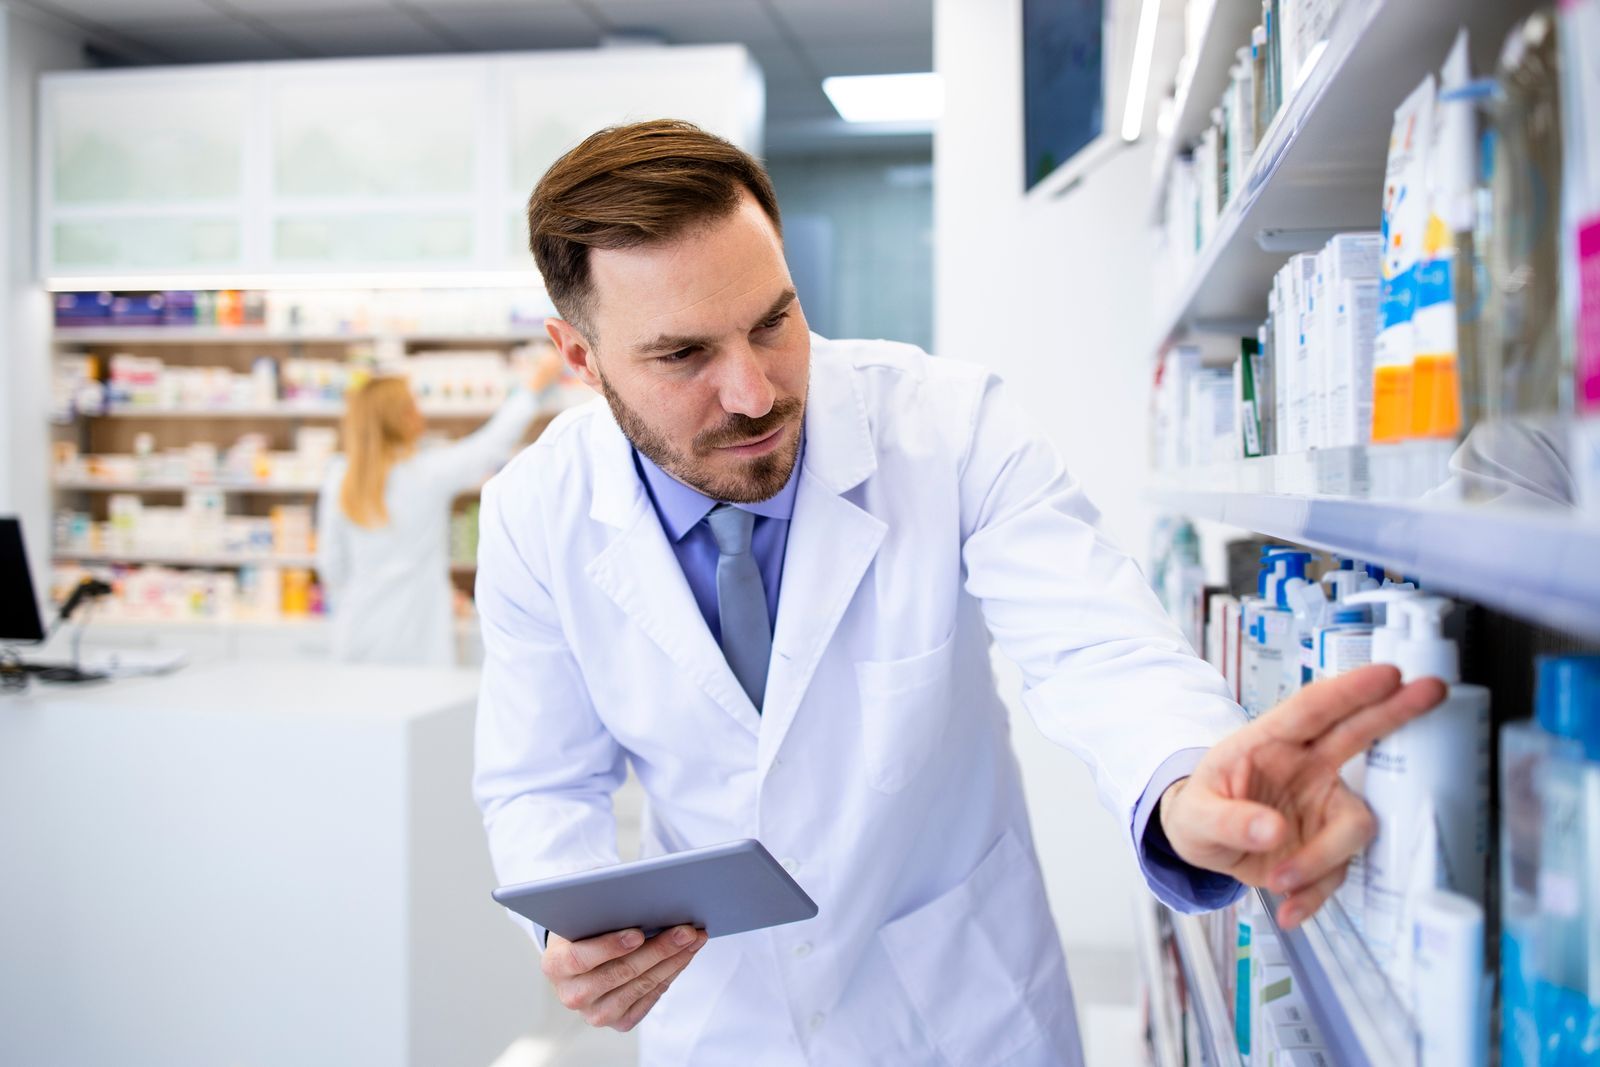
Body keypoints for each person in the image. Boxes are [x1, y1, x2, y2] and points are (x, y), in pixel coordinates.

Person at [472, 120, 1446, 1065]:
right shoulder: (534, 513)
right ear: (579, 357)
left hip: (961, 1005)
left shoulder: (947, 423)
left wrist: (1186, 782)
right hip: (725, 1011)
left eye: (773, 320)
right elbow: (540, 778)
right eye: (683, 355)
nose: (755, 392)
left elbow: (1094, 643)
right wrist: (577, 922)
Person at [316, 353, 562, 666]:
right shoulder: (424, 474)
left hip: (358, 629)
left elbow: (332, 567)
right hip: (416, 634)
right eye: (412, 406)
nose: (420, 413)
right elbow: (491, 445)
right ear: (399, 417)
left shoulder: (340, 476)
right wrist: (535, 386)